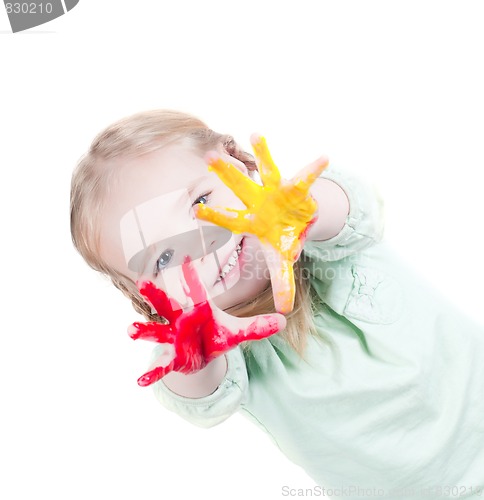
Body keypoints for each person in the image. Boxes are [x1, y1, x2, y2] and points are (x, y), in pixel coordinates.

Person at [70, 109, 484, 498]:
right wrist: (195, 357)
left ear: (239, 165)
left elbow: (349, 205)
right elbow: (197, 396)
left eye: (201, 202)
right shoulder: (216, 346)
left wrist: (302, 212)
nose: (202, 247)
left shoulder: (323, 240)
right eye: (163, 258)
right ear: (145, 297)